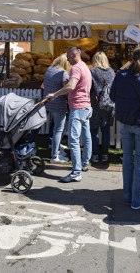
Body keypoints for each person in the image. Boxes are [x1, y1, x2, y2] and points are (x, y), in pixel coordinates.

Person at [110, 46, 140, 210]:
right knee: (139, 161)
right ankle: (137, 199)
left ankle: (128, 194)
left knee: (127, 159)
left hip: (125, 122)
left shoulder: (121, 76)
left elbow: (112, 96)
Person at [45, 47, 92, 183]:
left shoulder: (76, 68)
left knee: (73, 140)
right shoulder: (84, 66)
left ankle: (76, 172)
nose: (67, 60)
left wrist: (54, 94)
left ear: (73, 55)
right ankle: (84, 164)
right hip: (86, 106)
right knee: (86, 137)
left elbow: (71, 86)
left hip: (77, 107)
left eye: (68, 57)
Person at [43, 53, 71, 163]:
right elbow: (66, 90)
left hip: (48, 102)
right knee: (58, 130)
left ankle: (57, 149)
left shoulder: (49, 69)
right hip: (59, 104)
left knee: (56, 130)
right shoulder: (63, 73)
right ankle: (55, 155)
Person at [90, 51, 116, 163]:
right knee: (106, 131)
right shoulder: (112, 72)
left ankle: (95, 155)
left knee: (94, 130)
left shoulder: (93, 72)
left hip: (95, 104)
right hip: (108, 104)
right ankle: (105, 154)